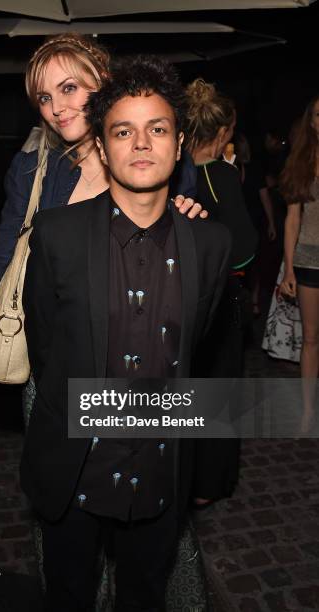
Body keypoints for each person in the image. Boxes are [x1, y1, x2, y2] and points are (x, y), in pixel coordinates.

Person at [21, 54, 231, 612]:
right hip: (75, 473)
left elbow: (199, 354)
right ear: (105, 144)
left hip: (162, 473)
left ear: (179, 141)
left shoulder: (210, 245)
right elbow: (44, 350)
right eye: (123, 131)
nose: (141, 144)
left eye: (157, 129)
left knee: (145, 598)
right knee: (67, 596)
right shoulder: (56, 235)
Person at [0, 34, 206, 422]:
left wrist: (189, 217)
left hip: (144, 368)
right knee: (55, 481)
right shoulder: (33, 172)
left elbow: (189, 266)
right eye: (44, 97)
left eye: (68, 88)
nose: (56, 108)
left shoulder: (155, 157)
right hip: (56, 371)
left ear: (103, 80)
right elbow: (1, 264)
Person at [184, 79, 258, 508]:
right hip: (223, 296)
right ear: (224, 131)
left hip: (187, 298)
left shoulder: (179, 174)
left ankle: (188, 476)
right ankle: (210, 483)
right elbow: (244, 249)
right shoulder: (221, 177)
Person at [279, 94, 319, 435]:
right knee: (311, 338)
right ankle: (308, 411)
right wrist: (289, 269)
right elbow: (292, 220)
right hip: (309, 259)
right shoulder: (302, 162)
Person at [234, 132, 276, 315]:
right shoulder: (230, 169)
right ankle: (250, 299)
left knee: (252, 263)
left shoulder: (250, 168)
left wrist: (271, 222)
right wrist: (271, 222)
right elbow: (264, 197)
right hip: (244, 223)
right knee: (249, 264)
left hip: (249, 222)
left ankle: (252, 299)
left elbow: (264, 195)